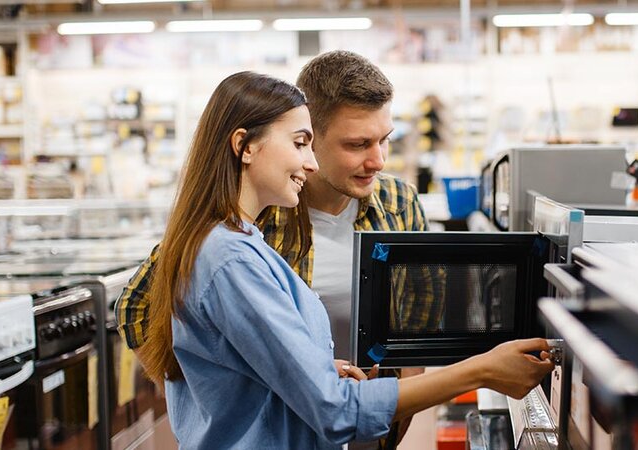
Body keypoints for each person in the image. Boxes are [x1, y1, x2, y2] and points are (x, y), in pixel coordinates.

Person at [140, 70, 554, 450]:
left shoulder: (243, 241)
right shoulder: (231, 256)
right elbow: (332, 408)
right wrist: (481, 370)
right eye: (301, 143)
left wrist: (310, 373)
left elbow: (412, 328)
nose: (311, 161)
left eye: (384, 139)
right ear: (244, 147)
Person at [117, 50, 441, 448]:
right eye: (357, 144)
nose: (378, 160)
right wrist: (230, 389)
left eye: (385, 140)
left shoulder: (398, 204)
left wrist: (397, 416)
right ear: (311, 136)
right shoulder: (248, 227)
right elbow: (136, 309)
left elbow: (418, 320)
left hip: (369, 428)